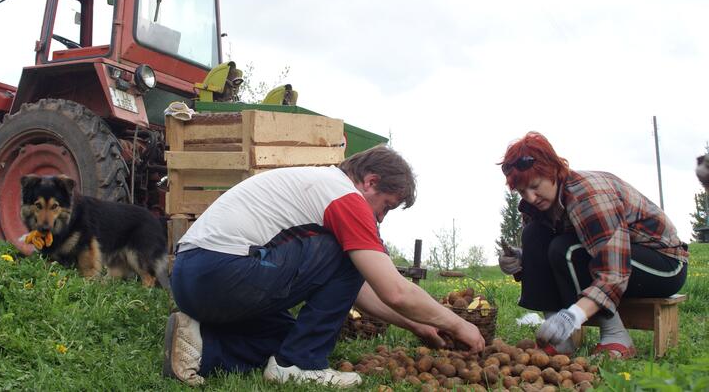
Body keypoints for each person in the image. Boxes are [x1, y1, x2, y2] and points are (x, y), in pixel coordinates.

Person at [164, 145, 485, 387]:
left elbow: (359, 290)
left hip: (197, 276)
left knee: (290, 337)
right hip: (220, 271)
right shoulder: (345, 197)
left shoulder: (322, 185)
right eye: (386, 206)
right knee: (341, 265)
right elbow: (394, 291)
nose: (381, 218)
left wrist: (416, 325)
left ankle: (204, 346)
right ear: (371, 182)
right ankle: (300, 365)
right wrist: (459, 325)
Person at [498, 132, 689, 358]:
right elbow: (543, 252)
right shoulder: (537, 207)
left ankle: (616, 336)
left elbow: (614, 271)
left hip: (664, 264)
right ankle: (559, 341)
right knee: (534, 235)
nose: (530, 197)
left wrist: (573, 316)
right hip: (609, 259)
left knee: (566, 249)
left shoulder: (589, 195)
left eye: (535, 186)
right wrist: (522, 259)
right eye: (522, 191)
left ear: (552, 170)